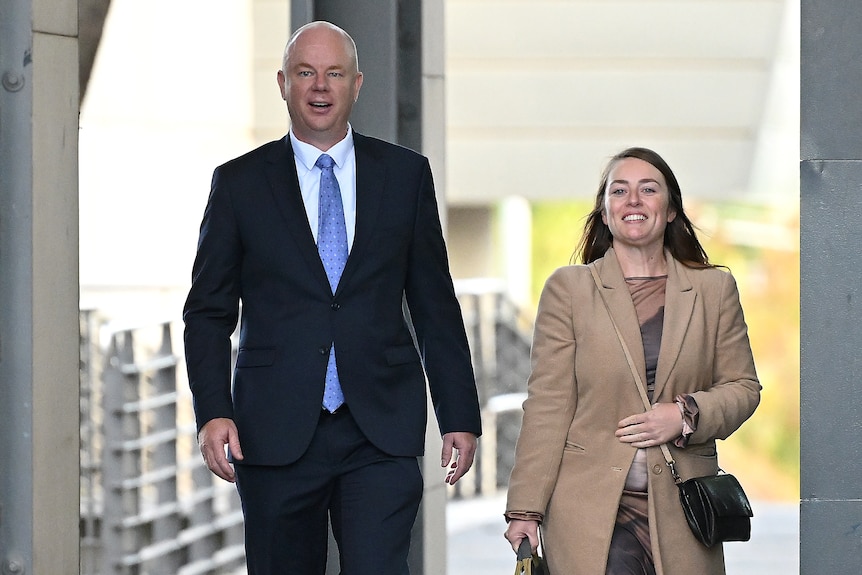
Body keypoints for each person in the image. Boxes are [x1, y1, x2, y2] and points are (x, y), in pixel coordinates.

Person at [183, 21, 482, 575]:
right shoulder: (239, 184)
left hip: (379, 429)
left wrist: (459, 414)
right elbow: (207, 312)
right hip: (273, 429)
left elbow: (435, 305)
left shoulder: (405, 176)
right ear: (283, 83)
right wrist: (213, 411)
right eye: (305, 73)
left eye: (335, 73)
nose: (320, 86)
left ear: (357, 84)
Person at [503, 147, 761, 574]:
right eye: (619, 191)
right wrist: (525, 509)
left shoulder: (714, 290)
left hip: (685, 513)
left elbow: (744, 388)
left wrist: (685, 414)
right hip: (588, 513)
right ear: (605, 213)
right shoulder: (569, 290)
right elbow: (548, 405)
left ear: (671, 209)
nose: (633, 200)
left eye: (648, 189)